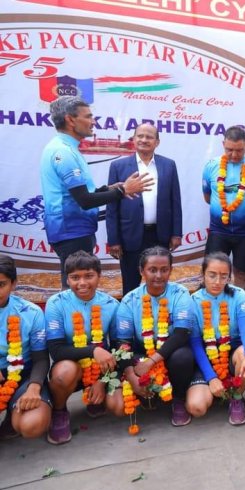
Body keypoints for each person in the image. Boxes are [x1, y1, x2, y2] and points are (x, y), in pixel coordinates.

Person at [40, 96, 153, 289]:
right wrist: (123, 190)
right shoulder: (64, 152)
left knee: (78, 288)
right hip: (71, 233)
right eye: (88, 116)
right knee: (78, 289)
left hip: (76, 230)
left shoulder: (68, 149)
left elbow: (83, 193)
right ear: (70, 120)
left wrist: (111, 189)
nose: (93, 121)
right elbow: (84, 200)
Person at [112, 247, 195, 426]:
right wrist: (131, 375)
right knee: (148, 401)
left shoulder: (180, 294)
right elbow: (123, 343)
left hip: (171, 351)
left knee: (183, 357)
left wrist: (152, 361)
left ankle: (178, 399)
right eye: (152, 270)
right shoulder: (129, 300)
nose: (158, 275)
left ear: (171, 270)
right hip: (142, 353)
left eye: (164, 270)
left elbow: (181, 334)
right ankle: (146, 394)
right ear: (142, 271)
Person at [44, 251, 120, 444]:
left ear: (99, 276)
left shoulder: (111, 304)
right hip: (71, 367)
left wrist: (103, 381)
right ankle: (59, 411)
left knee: (119, 407)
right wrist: (92, 350)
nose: (82, 283)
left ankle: (97, 394)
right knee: (64, 372)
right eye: (75, 277)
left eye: (89, 276)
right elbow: (56, 350)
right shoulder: (56, 303)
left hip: (102, 367)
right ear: (67, 279)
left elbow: (119, 347)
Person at [107, 123, 183, 295]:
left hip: (160, 235)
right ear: (133, 139)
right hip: (130, 236)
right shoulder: (118, 166)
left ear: (157, 142)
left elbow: (175, 201)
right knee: (131, 284)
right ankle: (130, 320)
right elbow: (112, 206)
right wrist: (114, 240)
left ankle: (160, 318)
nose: (144, 140)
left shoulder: (168, 165)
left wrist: (176, 233)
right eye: (140, 136)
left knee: (159, 283)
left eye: (149, 137)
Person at [186, 253, 245, 425]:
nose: (217, 281)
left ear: (229, 277)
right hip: (206, 355)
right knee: (196, 407)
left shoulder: (238, 295)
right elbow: (195, 343)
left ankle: (237, 395)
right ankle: (214, 388)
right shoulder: (193, 301)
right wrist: (211, 377)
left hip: (232, 352)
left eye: (223, 276)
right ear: (202, 274)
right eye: (212, 275)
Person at [202, 126, 245, 290]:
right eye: (229, 149)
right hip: (219, 229)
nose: (234, 155)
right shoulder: (211, 166)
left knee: (242, 272)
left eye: (239, 150)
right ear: (223, 144)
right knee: (213, 270)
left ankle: (239, 308)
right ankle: (213, 308)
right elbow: (208, 197)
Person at [0, 254, 51, 441]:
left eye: (1, 285)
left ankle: (14, 415)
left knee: (32, 425)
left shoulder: (30, 312)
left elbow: (41, 358)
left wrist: (34, 387)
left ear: (13, 284)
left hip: (24, 374)